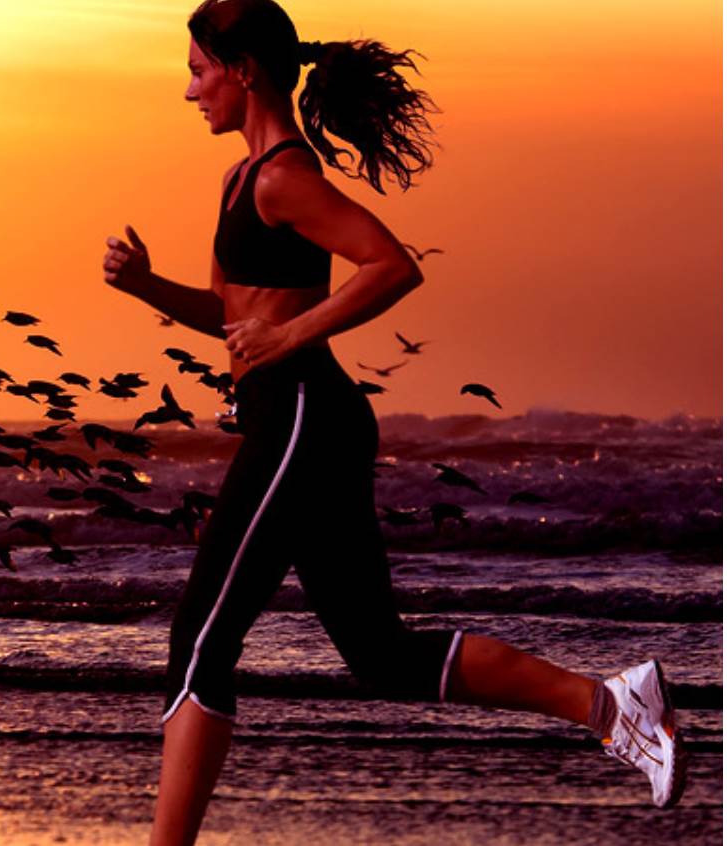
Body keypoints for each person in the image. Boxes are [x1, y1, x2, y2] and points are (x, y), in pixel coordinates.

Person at [98, 1, 687, 842]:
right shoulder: (242, 178)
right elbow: (234, 316)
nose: (187, 90)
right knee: (380, 656)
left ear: (245, 70)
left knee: (200, 641)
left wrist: (291, 334)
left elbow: (391, 266)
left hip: (301, 416)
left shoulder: (280, 178)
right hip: (303, 417)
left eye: (197, 70)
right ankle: (612, 706)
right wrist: (148, 286)